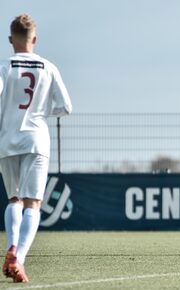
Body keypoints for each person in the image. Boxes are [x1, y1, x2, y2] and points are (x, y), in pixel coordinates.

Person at [0, 14, 72, 283]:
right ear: (35, 39)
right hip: (36, 140)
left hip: (7, 139)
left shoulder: (4, 66)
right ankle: (18, 259)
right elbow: (66, 107)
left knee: (13, 199)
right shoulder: (48, 67)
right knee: (33, 203)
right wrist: (40, 111)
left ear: (10, 39)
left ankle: (11, 246)